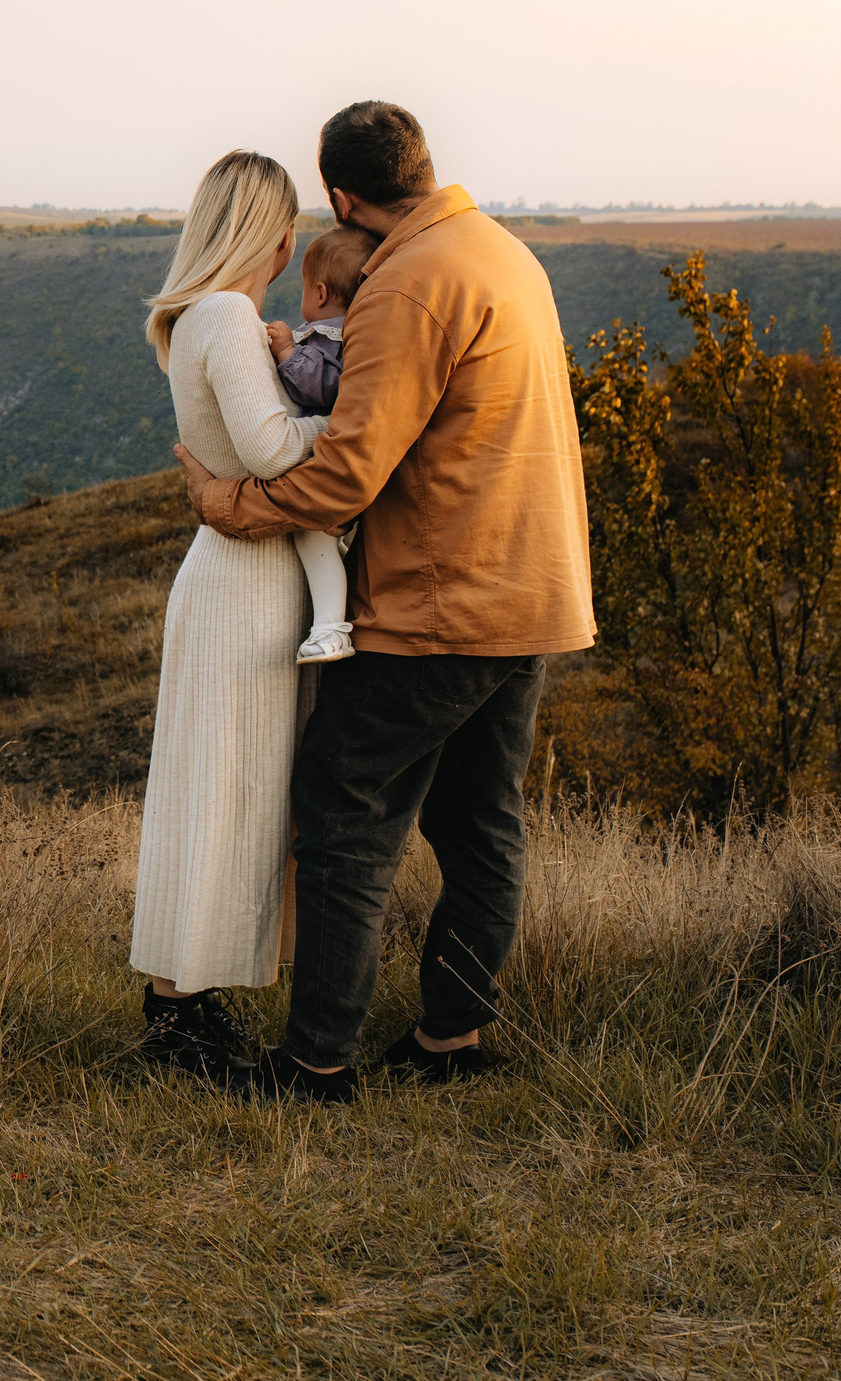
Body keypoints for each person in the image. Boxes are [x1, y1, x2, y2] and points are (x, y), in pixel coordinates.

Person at [174, 101, 595, 1103]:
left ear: (341, 196)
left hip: (439, 601)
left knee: (340, 813)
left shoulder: (407, 282)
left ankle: (314, 1061)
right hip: (532, 589)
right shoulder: (503, 254)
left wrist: (231, 506)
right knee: (479, 822)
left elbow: (346, 472)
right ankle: (451, 1038)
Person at [128, 150, 327, 1078]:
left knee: (219, 793)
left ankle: (185, 1003)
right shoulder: (227, 315)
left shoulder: (205, 318)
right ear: (276, 238)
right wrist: (361, 426)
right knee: (220, 794)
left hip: (240, 573)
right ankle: (178, 1020)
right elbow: (274, 450)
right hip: (244, 581)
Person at [266, 224, 382, 666]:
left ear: (319, 292)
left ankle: (331, 630)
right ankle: (333, 617)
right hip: (348, 460)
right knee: (323, 544)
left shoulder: (330, 336)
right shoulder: (360, 331)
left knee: (311, 533)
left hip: (329, 460)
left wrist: (286, 354)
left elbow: (322, 386)